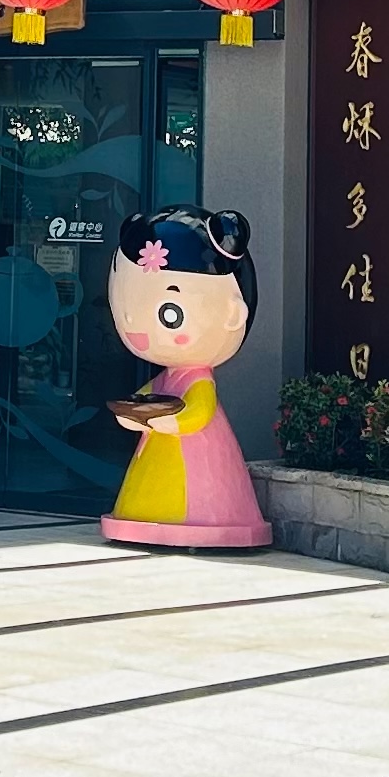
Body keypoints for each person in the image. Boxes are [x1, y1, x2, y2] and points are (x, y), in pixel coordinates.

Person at [101, 206, 270, 550]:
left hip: (199, 466)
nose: (137, 330)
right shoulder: (167, 378)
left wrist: (162, 422)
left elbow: (197, 414)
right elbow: (146, 398)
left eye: (168, 313)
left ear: (233, 314)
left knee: (196, 486)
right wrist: (135, 414)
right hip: (159, 450)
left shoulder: (199, 382)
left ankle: (202, 520)